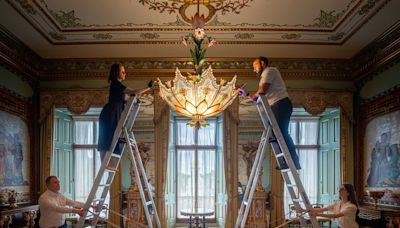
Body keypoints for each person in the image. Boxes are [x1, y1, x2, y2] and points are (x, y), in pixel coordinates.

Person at [97, 63, 152, 166]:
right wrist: (148, 87)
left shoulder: (117, 85)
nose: (125, 73)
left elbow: (121, 99)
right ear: (116, 73)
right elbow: (133, 91)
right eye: (122, 72)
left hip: (114, 113)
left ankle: (106, 164)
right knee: (106, 137)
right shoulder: (116, 84)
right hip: (110, 114)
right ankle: (104, 164)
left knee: (111, 137)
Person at [251, 56, 301, 169]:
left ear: (262, 63)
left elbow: (263, 90)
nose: (254, 69)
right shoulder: (264, 76)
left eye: (255, 66)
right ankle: (285, 161)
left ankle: (293, 162)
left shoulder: (269, 71)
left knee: (281, 133)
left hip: (281, 104)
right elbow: (259, 97)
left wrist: (254, 96)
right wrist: (248, 95)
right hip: (275, 106)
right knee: (275, 135)